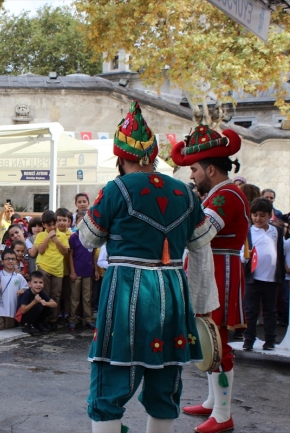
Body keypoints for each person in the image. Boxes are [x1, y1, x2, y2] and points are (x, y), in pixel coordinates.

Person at [79, 102, 218, 433]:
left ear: (121, 157)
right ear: (153, 156)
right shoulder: (185, 191)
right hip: (173, 292)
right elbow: (201, 245)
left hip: (127, 289)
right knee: (165, 382)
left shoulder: (116, 189)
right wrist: (201, 306)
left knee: (109, 384)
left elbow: (87, 237)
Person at [172, 123, 250, 433]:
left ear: (212, 170)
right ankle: (212, 402)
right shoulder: (221, 193)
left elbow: (200, 232)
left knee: (218, 343)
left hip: (220, 273)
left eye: (194, 169)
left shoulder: (226, 195)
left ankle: (222, 413)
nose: (191, 175)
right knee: (208, 340)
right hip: (211, 271)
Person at [242, 198, 285, 351]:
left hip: (271, 278)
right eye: (255, 215)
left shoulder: (277, 231)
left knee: (270, 310)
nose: (258, 219)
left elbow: (280, 251)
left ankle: (270, 340)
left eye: (262, 215)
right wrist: (245, 256)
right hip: (253, 278)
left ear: (269, 215)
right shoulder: (247, 233)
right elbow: (241, 253)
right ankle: (249, 339)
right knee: (251, 310)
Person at [28, 210, 68, 330]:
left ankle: (52, 319)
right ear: (44, 225)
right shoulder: (40, 235)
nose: (51, 227)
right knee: (44, 294)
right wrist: (48, 237)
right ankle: (42, 320)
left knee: (56, 295)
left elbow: (65, 251)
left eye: (53, 224)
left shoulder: (62, 235)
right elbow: (40, 251)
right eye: (48, 225)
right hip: (44, 267)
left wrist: (55, 240)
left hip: (58, 269)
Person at [69, 211, 97, 331]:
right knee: (75, 298)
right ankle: (73, 319)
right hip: (77, 272)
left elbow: (94, 254)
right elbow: (70, 255)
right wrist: (72, 271)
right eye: (79, 221)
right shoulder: (73, 237)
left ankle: (89, 319)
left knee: (87, 297)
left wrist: (95, 270)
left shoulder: (92, 238)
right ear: (75, 223)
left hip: (88, 272)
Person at [0, 249, 28, 330]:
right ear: (2, 261)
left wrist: (22, 290)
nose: (10, 261)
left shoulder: (19, 276)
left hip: (12, 309)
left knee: (10, 329)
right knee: (0, 330)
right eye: (7, 259)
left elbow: (26, 288)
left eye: (13, 259)